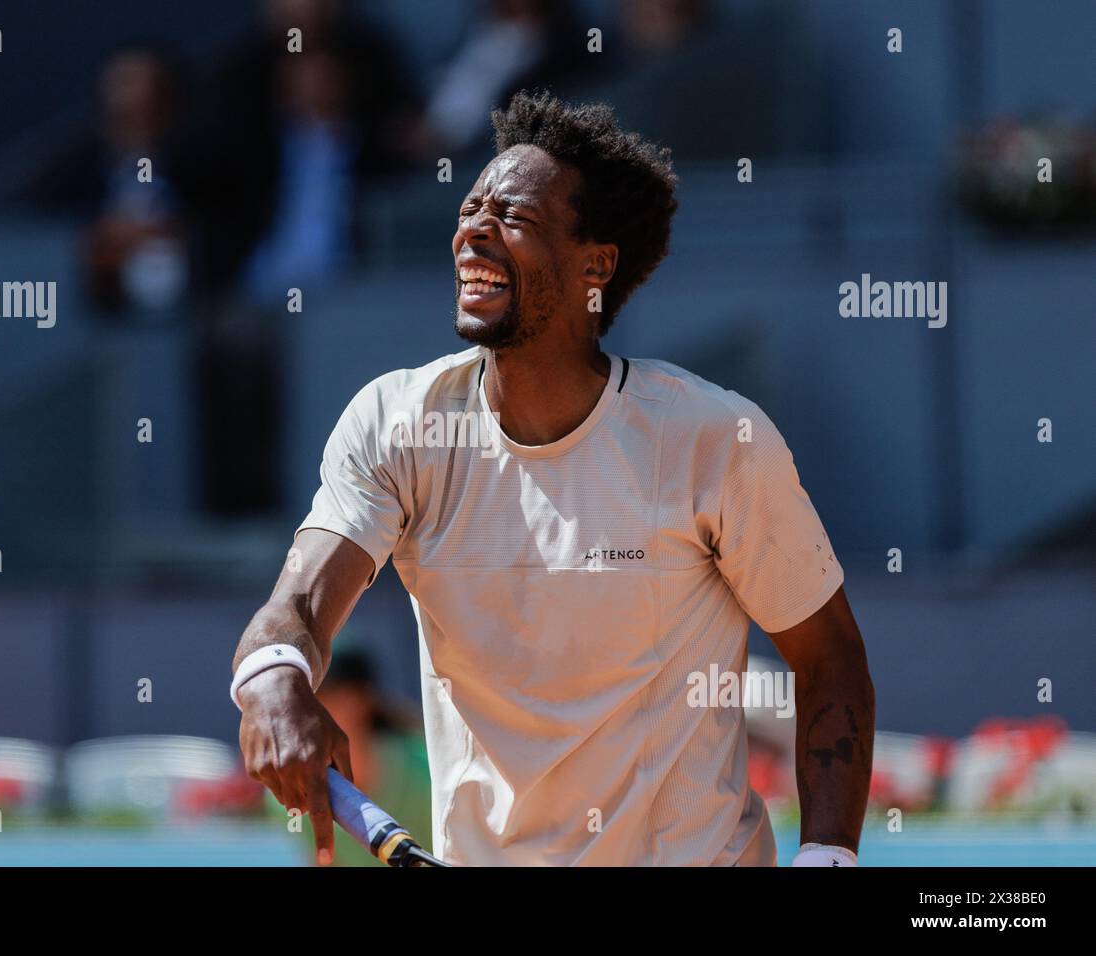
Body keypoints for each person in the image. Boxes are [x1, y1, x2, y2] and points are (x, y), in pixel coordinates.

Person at [232, 91, 874, 867]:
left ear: (595, 265)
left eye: (514, 219)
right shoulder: (397, 421)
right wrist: (275, 677)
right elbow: (297, 605)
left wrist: (829, 858)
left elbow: (829, 657)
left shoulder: (715, 439)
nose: (473, 230)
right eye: (470, 210)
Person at [266, 649, 432, 866]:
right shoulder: (289, 796)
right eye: (301, 697)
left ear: (362, 700)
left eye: (323, 692)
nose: (307, 710)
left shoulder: (428, 775)